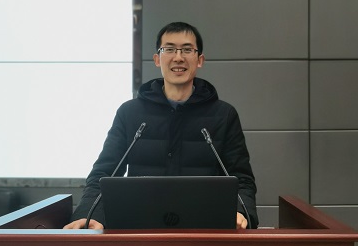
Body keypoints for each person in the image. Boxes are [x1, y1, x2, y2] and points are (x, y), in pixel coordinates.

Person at [64, 22, 258, 230]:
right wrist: (87, 215)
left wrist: (240, 211)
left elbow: (242, 179)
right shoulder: (130, 113)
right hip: (139, 228)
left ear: (199, 60)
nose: (178, 57)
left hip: (204, 229)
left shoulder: (223, 115)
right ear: (157, 59)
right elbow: (103, 174)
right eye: (169, 49)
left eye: (187, 50)